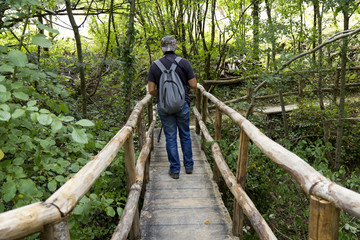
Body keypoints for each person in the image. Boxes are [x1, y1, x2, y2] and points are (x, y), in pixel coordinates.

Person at [147, 36, 197, 179]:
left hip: (164, 108)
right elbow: (193, 85)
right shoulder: (184, 63)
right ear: (175, 47)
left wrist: (163, 97)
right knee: (185, 135)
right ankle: (189, 166)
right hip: (183, 105)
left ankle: (175, 170)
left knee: (170, 137)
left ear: (162, 48)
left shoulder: (155, 66)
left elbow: (151, 90)